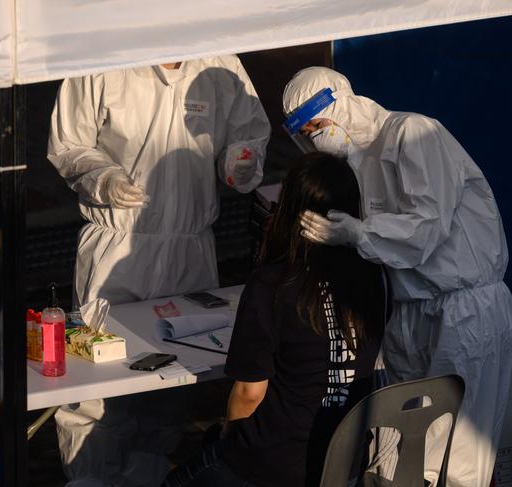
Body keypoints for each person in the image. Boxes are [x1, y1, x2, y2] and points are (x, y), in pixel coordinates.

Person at [284, 66, 512, 487]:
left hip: (462, 310)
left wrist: (356, 232)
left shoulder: (413, 133)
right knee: (396, 442)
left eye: (317, 123)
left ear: (343, 102)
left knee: (457, 447)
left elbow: (426, 227)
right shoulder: (354, 163)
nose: (314, 136)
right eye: (305, 131)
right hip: (406, 311)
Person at [47, 56, 271, 485]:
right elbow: (68, 144)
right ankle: (90, 478)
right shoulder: (103, 59)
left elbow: (249, 132)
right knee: (97, 384)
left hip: (191, 248)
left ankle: (146, 478)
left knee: (172, 380)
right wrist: (103, 176)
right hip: (115, 246)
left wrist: (241, 161)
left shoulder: (218, 61)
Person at [163, 152, 389, 487]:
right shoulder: (376, 276)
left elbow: (249, 393)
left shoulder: (274, 283)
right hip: (345, 464)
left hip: (275, 466)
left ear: (289, 210)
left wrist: (230, 437)